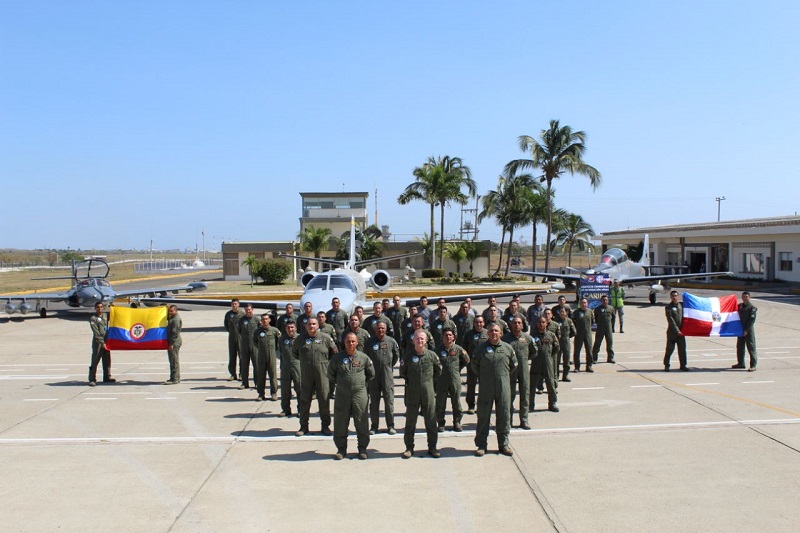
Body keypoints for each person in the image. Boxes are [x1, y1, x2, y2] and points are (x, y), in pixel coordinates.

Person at [327, 331, 374, 460]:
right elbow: (331, 374)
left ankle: (362, 448)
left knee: (361, 421)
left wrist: (359, 384)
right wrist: (342, 383)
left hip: (359, 393)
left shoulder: (364, 358)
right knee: (341, 421)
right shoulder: (337, 358)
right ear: (344, 343)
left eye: (353, 341)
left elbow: (371, 374)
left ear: (357, 342)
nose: (350, 344)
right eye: (348, 341)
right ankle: (341, 449)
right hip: (342, 394)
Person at [472, 323, 516, 456]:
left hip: (503, 387)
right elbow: (474, 366)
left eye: (496, 331)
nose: (493, 333)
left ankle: (503, 444)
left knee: (503, 415)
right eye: (491, 331)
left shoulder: (508, 348)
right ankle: (481, 445)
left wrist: (502, 377)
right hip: (486, 387)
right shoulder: (480, 349)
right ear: (488, 333)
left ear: (501, 333)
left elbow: (513, 366)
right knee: (483, 416)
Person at [399, 329, 442, 458]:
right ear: (413, 340)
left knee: (430, 419)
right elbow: (403, 372)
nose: (419, 340)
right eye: (417, 338)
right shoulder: (407, 357)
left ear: (426, 340)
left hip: (428, 392)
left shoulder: (432, 356)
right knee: (410, 420)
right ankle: (409, 448)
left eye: (422, 338)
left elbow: (438, 371)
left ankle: (432, 447)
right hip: (412, 392)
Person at [293, 318, 338, 436]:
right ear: (306, 326)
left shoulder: (326, 338)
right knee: (304, 401)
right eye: (309, 324)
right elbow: (295, 353)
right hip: (306, 375)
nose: (311, 326)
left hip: (322, 375)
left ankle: (325, 426)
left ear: (318, 325)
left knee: (324, 400)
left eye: (314, 324)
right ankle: (303, 426)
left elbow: (334, 353)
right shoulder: (300, 339)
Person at [364, 321, 400, 435]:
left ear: (386, 329)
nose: (380, 330)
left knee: (389, 401)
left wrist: (387, 366)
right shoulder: (369, 342)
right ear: (375, 330)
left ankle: (390, 425)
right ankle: (374, 426)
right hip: (373, 376)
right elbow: (366, 357)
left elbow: (395, 357)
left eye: (382, 328)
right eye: (378, 328)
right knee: (374, 402)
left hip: (387, 375)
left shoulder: (391, 341)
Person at [435, 328, 469, 432]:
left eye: (450, 335)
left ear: (453, 337)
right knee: (440, 403)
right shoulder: (437, 350)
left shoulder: (458, 349)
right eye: (446, 335)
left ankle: (457, 422)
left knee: (456, 403)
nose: (448, 337)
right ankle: (440, 423)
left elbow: (466, 360)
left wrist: (457, 369)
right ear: (442, 337)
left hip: (455, 379)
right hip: (442, 380)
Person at [502, 317, 532, 430]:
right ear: (511, 325)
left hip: (523, 369)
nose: (517, 325)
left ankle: (524, 420)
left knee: (525, 395)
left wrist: (524, 360)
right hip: (510, 370)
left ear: (523, 325)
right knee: (509, 396)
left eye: (519, 323)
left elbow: (534, 352)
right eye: (514, 323)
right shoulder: (505, 339)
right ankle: (508, 421)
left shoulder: (528, 338)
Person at [530, 316, 559, 413]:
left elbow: (556, 347)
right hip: (536, 363)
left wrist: (548, 356)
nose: (541, 324)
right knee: (532, 385)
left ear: (546, 323)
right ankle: (530, 405)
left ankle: (552, 403)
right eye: (539, 322)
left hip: (548, 363)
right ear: (536, 324)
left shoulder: (551, 335)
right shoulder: (532, 335)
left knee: (550, 384)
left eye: (543, 322)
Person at [463, 315, 488, 414]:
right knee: (471, 385)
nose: (479, 324)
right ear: (474, 323)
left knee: (484, 385)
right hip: (472, 364)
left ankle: (482, 405)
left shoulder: (487, 333)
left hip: (484, 364)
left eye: (481, 322)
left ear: (484, 323)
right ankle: (471, 405)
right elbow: (464, 348)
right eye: (477, 322)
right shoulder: (469, 334)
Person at [253, 313, 281, 401]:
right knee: (261, 375)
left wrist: (274, 349)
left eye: (266, 319)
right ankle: (261, 394)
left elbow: (279, 341)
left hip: (272, 355)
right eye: (263, 319)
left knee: (273, 375)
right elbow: (255, 342)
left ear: (269, 320)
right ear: (261, 321)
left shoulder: (274, 331)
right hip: (261, 355)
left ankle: (274, 393)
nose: (265, 321)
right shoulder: (257, 332)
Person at [278, 320, 301, 417]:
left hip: (298, 366)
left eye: (292, 327)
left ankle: (301, 410)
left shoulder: (300, 338)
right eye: (288, 327)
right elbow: (280, 352)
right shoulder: (282, 339)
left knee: (300, 389)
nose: (290, 329)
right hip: (285, 367)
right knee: (285, 390)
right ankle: (286, 409)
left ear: (295, 328)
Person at [88, 302, 114, 386]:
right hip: (98, 343)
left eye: (101, 307)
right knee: (95, 360)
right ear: (95, 308)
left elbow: (114, 315)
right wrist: (102, 343)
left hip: (106, 341)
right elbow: (96, 333)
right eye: (98, 307)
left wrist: (113, 308)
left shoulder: (105, 316)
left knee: (107, 360)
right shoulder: (93, 319)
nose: (100, 309)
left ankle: (107, 377)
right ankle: (92, 379)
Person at [733, 291, 758, 371]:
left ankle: (753, 365)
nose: (745, 298)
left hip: (748, 330)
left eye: (746, 297)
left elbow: (752, 320)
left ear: (749, 297)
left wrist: (746, 330)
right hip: (740, 329)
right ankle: (741, 363)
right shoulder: (740, 306)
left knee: (751, 347)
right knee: (740, 347)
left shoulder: (752, 308)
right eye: (743, 297)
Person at [664, 291, 688, 372]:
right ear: (670, 297)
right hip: (672, 333)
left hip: (682, 332)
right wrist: (677, 331)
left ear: (678, 296)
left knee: (682, 350)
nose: (674, 297)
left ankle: (683, 365)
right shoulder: (668, 308)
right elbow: (671, 321)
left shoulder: (681, 305)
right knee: (669, 350)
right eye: (673, 296)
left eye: (676, 296)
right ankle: (667, 365)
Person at [237, 304, 260, 389]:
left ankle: (257, 383)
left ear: (252, 310)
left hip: (254, 345)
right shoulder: (241, 320)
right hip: (244, 345)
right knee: (244, 365)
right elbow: (239, 330)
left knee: (256, 365)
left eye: (249, 310)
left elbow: (260, 329)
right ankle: (244, 383)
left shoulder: (256, 319)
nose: (248, 311)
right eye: (246, 310)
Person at [223, 299, 245, 381]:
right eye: (233, 304)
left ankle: (241, 374)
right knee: (232, 356)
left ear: (238, 304)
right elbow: (226, 325)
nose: (234, 305)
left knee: (242, 357)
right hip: (231, 337)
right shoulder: (228, 314)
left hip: (241, 337)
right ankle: (232, 374)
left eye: (236, 304)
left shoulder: (242, 314)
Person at [573, 298, 594, 372]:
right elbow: (573, 322)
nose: (583, 304)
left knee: (589, 350)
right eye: (582, 303)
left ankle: (589, 366)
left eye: (585, 302)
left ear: (587, 303)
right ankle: (577, 367)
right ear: (580, 304)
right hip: (578, 334)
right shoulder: (576, 312)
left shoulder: (590, 311)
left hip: (588, 334)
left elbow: (593, 321)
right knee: (577, 351)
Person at [592, 295, 615, 364]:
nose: (605, 301)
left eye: (606, 300)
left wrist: (611, 325)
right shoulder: (598, 308)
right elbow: (595, 318)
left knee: (610, 343)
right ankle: (594, 358)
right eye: (603, 300)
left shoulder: (611, 308)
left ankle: (610, 358)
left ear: (608, 301)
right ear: (601, 301)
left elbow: (613, 318)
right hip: (600, 328)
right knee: (597, 343)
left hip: (608, 328)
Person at [557, 307, 576, 382]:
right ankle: (556, 376)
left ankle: (565, 375)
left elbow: (574, 331)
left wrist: (567, 337)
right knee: (556, 360)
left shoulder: (569, 321)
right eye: (560, 312)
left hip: (566, 341)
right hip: (558, 342)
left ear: (566, 313)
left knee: (566, 360)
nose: (562, 313)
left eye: (563, 312)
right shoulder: (556, 321)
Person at [165, 305, 182, 384]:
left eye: (172, 311)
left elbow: (174, 333)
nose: (170, 312)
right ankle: (174, 378)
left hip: (174, 342)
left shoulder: (176, 320)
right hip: (173, 341)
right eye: (169, 311)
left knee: (174, 360)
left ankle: (175, 379)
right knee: (172, 360)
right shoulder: (172, 317)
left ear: (176, 311)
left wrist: (171, 344)